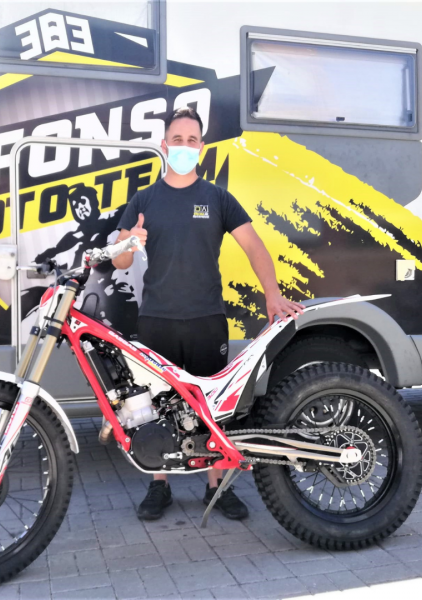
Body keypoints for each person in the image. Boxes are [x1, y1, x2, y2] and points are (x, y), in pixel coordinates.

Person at [112, 107, 304, 521]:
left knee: (211, 407)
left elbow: (254, 246)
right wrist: (131, 241)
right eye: (176, 140)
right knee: (156, 406)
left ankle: (216, 486)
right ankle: (159, 484)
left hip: (207, 319)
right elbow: (119, 261)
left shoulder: (217, 198)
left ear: (201, 147)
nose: (184, 147)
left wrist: (272, 295)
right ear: (164, 146)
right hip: (157, 319)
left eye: (191, 140)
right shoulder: (144, 200)